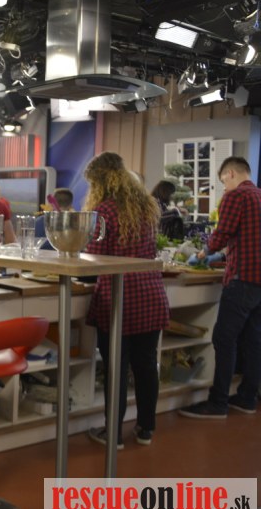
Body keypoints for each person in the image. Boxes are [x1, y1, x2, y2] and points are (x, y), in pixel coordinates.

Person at [82, 152, 169, 448]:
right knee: (146, 366)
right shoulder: (146, 206)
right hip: (151, 294)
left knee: (116, 370)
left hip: (119, 299)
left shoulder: (104, 210)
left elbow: (94, 257)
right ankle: (146, 429)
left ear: (99, 182)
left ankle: (114, 434)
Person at [179, 156, 261, 418]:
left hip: (242, 279)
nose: (224, 187)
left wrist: (205, 253)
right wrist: (223, 254)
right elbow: (247, 238)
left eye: (223, 181)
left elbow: (222, 233)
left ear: (232, 173)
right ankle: (247, 398)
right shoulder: (259, 196)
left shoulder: (236, 196)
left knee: (224, 339)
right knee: (253, 341)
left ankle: (218, 403)